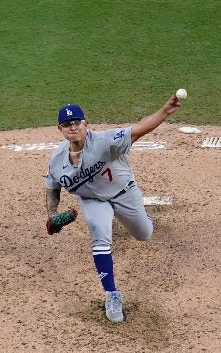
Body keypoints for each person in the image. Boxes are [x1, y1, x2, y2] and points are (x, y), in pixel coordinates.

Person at [44, 94, 182, 323]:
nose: (73, 127)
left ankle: (143, 218)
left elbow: (138, 130)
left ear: (86, 124)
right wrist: (52, 214)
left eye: (77, 122)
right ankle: (112, 295)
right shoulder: (57, 159)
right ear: (60, 129)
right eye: (67, 124)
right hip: (92, 200)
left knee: (144, 234)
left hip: (124, 192)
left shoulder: (105, 141)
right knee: (99, 234)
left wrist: (165, 111)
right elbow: (52, 187)